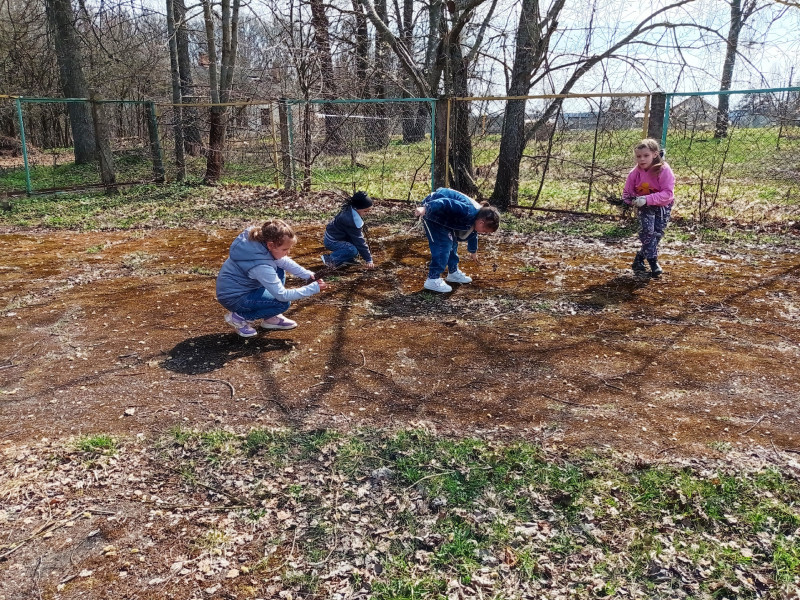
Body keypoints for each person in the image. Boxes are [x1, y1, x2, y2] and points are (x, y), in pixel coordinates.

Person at [216, 219, 327, 338]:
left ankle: (270, 318)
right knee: (281, 304)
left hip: (242, 290)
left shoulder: (258, 246)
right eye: (285, 249)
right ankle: (239, 317)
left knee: (278, 268)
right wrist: (312, 288)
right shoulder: (260, 266)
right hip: (235, 299)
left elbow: (284, 262)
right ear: (270, 245)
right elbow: (282, 295)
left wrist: (308, 275)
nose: (288, 253)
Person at [414, 187, 501, 293]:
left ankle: (453, 272)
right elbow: (445, 203)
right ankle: (433, 279)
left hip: (445, 215)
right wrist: (426, 208)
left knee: (453, 242)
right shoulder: (467, 210)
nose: (484, 233)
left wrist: (473, 251)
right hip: (434, 209)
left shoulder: (477, 218)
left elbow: (473, 234)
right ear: (481, 223)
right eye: (485, 231)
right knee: (443, 245)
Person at [623, 138, 676, 277]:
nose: (642, 159)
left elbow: (668, 194)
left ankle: (639, 258)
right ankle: (653, 261)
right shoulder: (634, 173)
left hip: (662, 205)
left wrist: (647, 199)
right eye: (638, 156)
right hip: (643, 206)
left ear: (655, 154)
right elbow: (627, 192)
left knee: (657, 234)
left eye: (646, 155)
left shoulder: (664, 170)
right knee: (647, 231)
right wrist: (630, 201)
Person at [320, 191, 375, 269]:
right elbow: (360, 241)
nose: (367, 213)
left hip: (338, 237)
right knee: (352, 250)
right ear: (357, 208)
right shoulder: (350, 220)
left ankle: (347, 259)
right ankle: (330, 259)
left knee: (355, 247)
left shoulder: (350, 209)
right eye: (365, 211)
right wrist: (369, 260)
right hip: (332, 241)